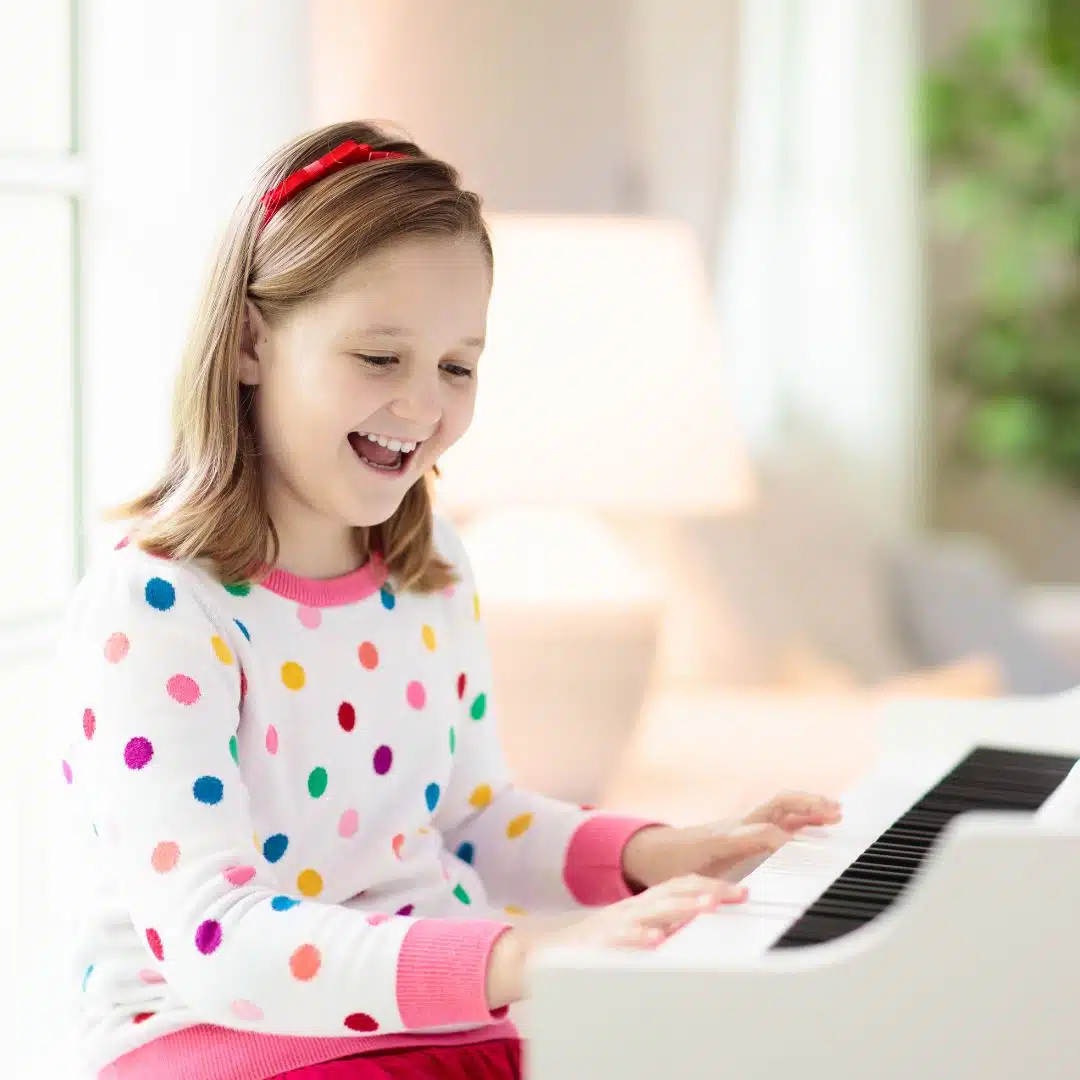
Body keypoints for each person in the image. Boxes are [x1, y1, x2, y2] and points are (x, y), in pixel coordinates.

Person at [56, 121, 842, 1080]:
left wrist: (665, 853)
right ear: (253, 343)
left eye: (456, 367)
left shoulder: (430, 569)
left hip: (443, 1022)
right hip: (222, 1042)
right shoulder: (159, 609)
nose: (422, 406)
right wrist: (525, 956)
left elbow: (472, 818)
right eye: (379, 358)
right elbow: (215, 938)